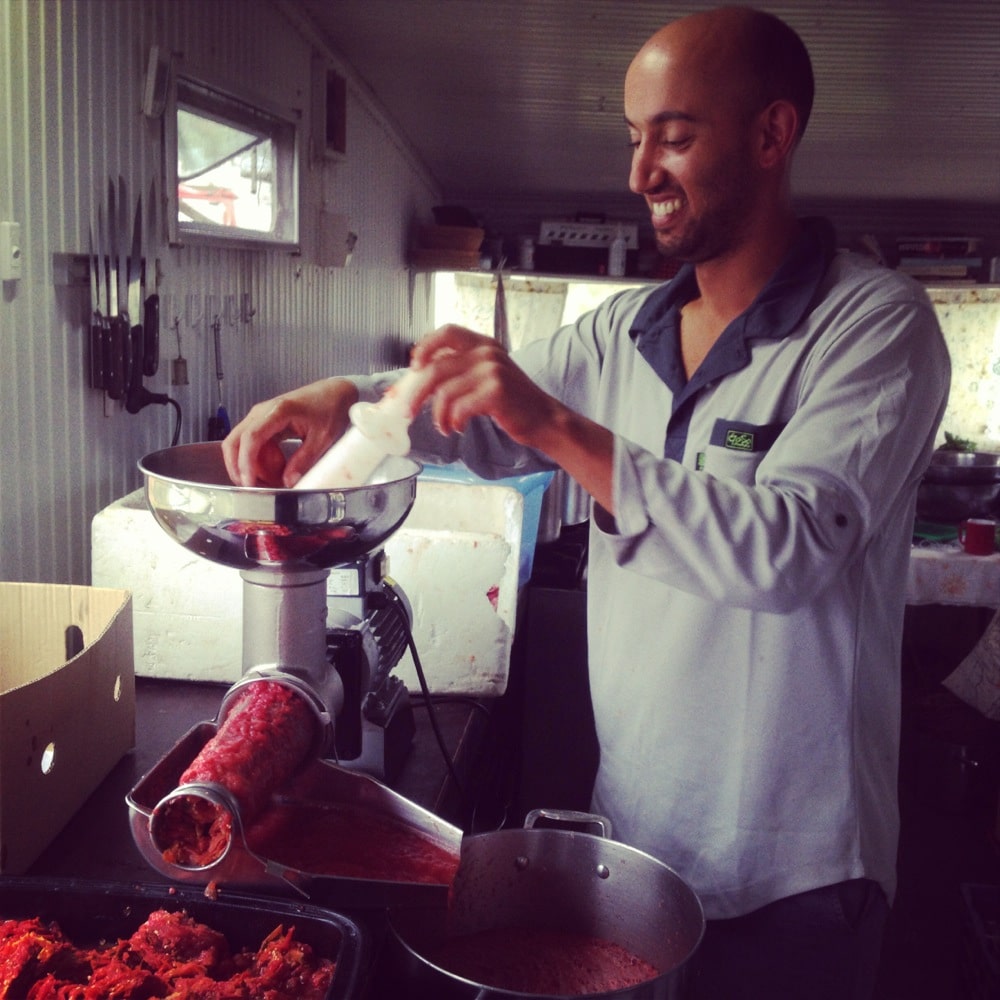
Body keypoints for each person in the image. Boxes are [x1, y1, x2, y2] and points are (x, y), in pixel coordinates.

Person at [223, 6, 950, 997]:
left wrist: (557, 427)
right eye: (633, 135)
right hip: (638, 836)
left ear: (772, 134)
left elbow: (786, 552)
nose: (639, 169)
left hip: (797, 869)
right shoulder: (622, 334)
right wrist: (343, 399)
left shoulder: (871, 326)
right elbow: (472, 416)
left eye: (675, 134)